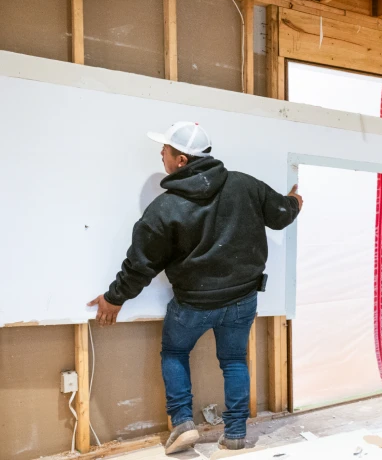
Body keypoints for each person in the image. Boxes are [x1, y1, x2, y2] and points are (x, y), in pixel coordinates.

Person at [87, 122, 302, 453]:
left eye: (166, 150)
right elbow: (279, 214)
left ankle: (183, 424)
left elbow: (141, 264)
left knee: (175, 352)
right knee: (233, 361)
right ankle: (234, 434)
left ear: (182, 160)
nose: (161, 154)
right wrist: (294, 201)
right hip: (242, 298)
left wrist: (114, 299)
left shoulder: (164, 208)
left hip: (193, 306)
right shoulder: (244, 185)